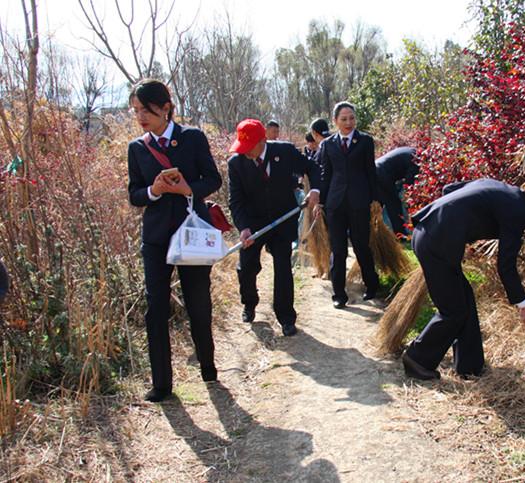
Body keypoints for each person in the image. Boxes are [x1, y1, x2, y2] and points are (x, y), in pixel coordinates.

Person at [402, 177, 525, 380]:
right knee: (453, 310)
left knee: (465, 300)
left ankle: (470, 367)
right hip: (437, 243)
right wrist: (524, 305)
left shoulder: (501, 189)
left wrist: (459, 229)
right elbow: (506, 265)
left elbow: (450, 188)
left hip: (429, 232)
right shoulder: (519, 211)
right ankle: (417, 360)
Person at [127, 79, 222, 402]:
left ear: (165, 108)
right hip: (155, 238)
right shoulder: (137, 148)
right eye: (137, 111)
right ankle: (162, 385)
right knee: (155, 308)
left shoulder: (192, 138)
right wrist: (154, 190)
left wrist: (187, 189)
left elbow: (213, 178)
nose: (141, 117)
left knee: (198, 303)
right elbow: (134, 194)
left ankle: (208, 368)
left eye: (147, 110)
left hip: (192, 235)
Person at [228, 119, 321, 336]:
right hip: (253, 223)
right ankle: (249, 303)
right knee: (247, 267)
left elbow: (311, 167)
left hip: (282, 219)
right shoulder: (236, 164)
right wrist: (243, 228)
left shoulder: (285, 151)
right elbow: (236, 201)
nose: (245, 152)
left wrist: (315, 189)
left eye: (248, 147)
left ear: (262, 141)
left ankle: (286, 317)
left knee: (282, 268)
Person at [316, 101, 380, 309]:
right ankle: (339, 294)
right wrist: (321, 202)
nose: (348, 122)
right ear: (335, 121)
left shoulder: (365, 141)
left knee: (361, 246)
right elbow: (325, 176)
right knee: (338, 249)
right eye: (343, 119)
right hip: (335, 204)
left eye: (351, 118)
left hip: (359, 202)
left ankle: (372, 285)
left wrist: (375, 199)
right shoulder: (327, 144)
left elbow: (371, 172)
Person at [375, 146, 420, 236]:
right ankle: (400, 234)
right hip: (381, 174)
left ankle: (362, 230)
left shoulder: (412, 151)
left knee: (376, 205)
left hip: (377, 169)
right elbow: (410, 185)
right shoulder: (417, 160)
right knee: (393, 203)